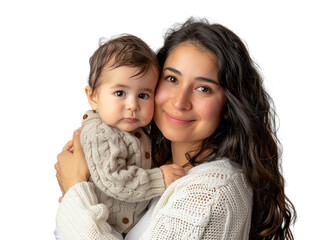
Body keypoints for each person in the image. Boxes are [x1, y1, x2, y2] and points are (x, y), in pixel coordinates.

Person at [55, 18, 296, 239]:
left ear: (227, 106)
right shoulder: (154, 168)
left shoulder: (210, 193)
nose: (180, 102)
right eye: (172, 79)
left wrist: (75, 190)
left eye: (203, 88)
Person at [55, 35, 185, 240]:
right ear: (93, 97)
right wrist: (159, 178)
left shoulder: (139, 130)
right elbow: (114, 180)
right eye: (119, 93)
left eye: (143, 95)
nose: (132, 105)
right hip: (95, 224)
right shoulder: (101, 133)